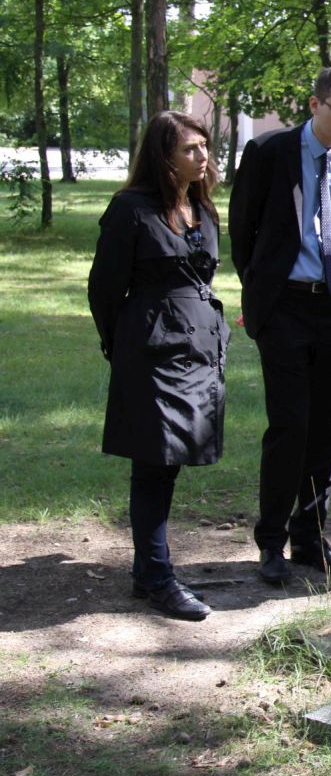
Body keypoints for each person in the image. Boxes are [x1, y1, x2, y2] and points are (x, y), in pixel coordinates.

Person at [229, 65, 331, 584]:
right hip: (284, 308)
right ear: (314, 105)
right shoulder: (268, 152)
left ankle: (310, 539)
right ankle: (271, 543)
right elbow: (242, 232)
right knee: (290, 427)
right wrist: (261, 296)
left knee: (328, 429)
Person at [88, 111, 228, 621]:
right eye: (190, 148)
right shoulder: (131, 210)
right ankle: (157, 578)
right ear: (163, 156)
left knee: (169, 466)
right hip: (150, 351)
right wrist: (123, 346)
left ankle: (147, 570)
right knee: (154, 463)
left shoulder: (202, 207)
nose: (202, 156)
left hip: (199, 351)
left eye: (204, 146)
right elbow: (104, 289)